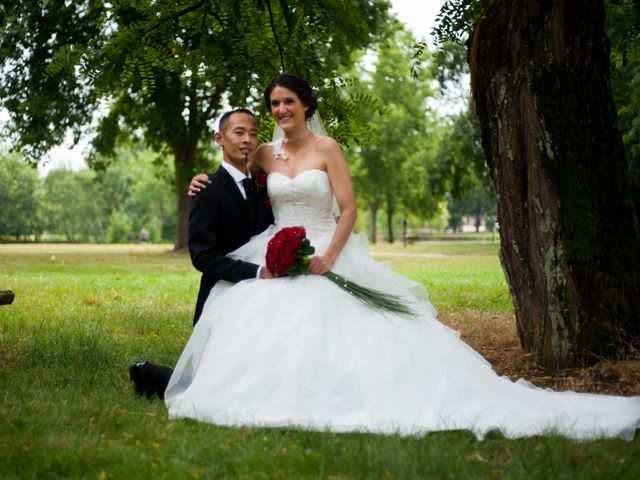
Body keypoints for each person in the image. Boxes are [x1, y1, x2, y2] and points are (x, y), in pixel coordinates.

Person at [166, 73, 640, 440]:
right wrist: (199, 182)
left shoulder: (328, 148)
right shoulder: (265, 154)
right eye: (274, 103)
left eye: (289, 101)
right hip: (279, 255)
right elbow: (239, 178)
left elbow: (349, 208)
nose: (281, 109)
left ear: (307, 104)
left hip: (328, 252)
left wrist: (330, 255)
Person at [129, 108, 274, 399]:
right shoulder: (207, 189)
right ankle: (147, 372)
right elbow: (202, 256)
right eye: (239, 132)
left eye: (253, 133)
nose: (247, 139)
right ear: (219, 138)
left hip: (268, 294)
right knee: (218, 389)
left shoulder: (265, 185)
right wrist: (256, 273)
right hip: (224, 296)